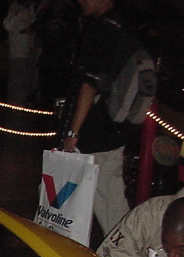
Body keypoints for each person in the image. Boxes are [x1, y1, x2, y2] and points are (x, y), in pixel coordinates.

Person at [62, 0, 138, 241]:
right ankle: (122, 249)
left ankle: (125, 253)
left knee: (108, 199)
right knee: (107, 195)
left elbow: (89, 85)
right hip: (116, 123)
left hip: (97, 128)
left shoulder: (101, 30)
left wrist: (73, 132)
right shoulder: (126, 24)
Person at [3, 0, 39, 106]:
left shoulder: (30, 8)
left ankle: (22, 106)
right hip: (17, 52)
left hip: (30, 52)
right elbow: (7, 25)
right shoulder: (15, 7)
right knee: (16, 83)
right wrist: (20, 14)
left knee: (26, 84)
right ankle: (14, 106)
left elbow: (33, 25)